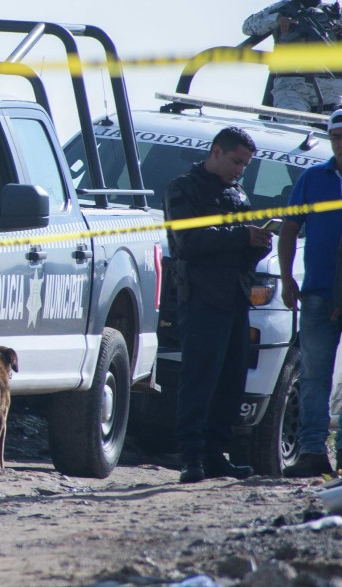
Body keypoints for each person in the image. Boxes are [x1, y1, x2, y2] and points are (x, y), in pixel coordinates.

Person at [164, 127, 273, 483]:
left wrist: (258, 243)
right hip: (201, 297)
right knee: (199, 379)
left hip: (234, 296)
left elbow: (237, 249)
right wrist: (242, 235)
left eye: (245, 164)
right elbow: (190, 239)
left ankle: (215, 454)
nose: (240, 169)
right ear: (216, 152)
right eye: (236, 160)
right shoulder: (184, 188)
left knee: (229, 381)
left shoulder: (237, 194)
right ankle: (191, 458)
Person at [277, 108, 342, 477]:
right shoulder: (313, 178)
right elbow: (289, 230)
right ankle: (313, 452)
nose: (341, 144)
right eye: (336, 137)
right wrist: (288, 279)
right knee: (315, 375)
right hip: (316, 295)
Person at [243, 0, 342, 115]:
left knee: (335, 128)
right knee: (292, 126)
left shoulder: (336, 12)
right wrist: (277, 19)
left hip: (331, 87)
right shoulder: (284, 7)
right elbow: (248, 27)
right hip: (291, 85)